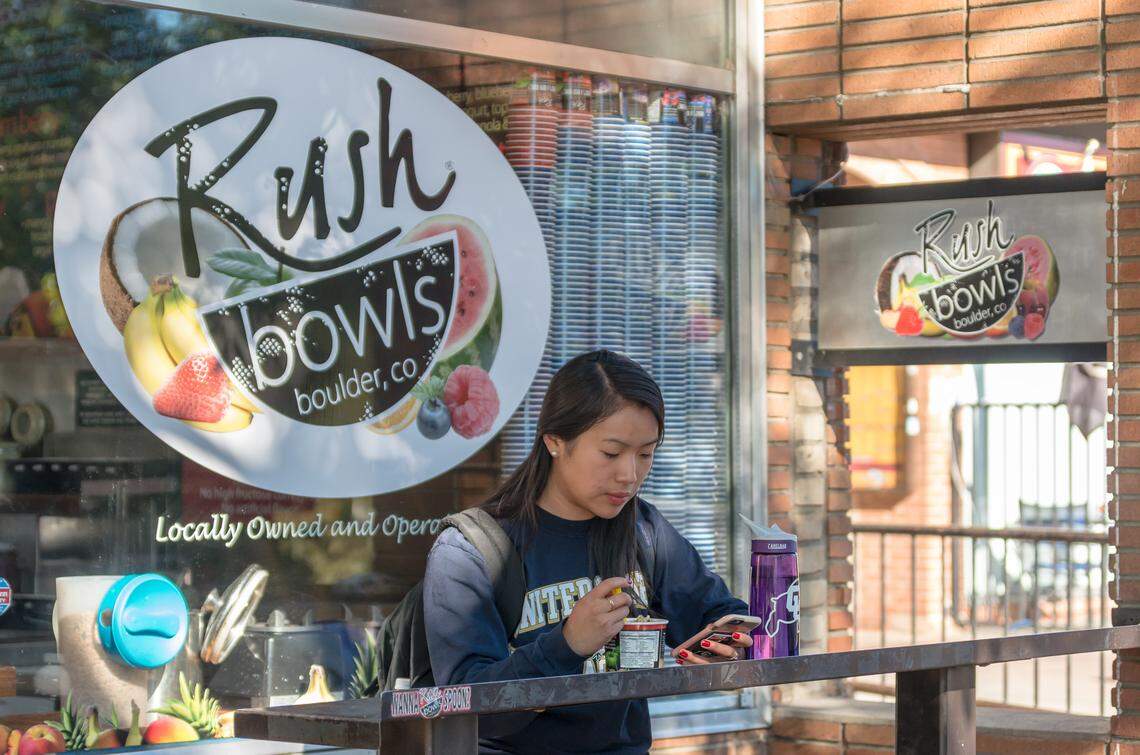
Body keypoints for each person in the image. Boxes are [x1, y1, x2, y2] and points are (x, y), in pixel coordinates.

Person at [423, 349, 750, 754]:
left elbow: (716, 611)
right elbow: (463, 707)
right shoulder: (470, 549)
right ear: (555, 441)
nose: (629, 475)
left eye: (646, 454)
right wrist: (567, 645)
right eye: (611, 453)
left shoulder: (643, 530)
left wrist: (728, 642)